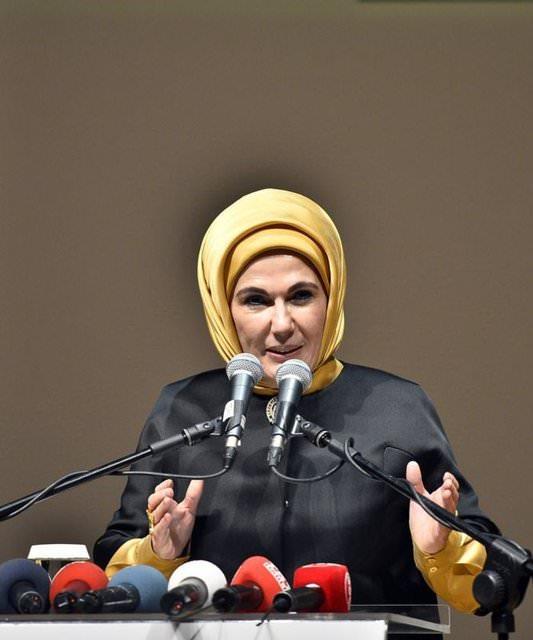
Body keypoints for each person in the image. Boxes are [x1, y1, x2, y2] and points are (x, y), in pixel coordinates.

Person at [94, 188, 498, 618]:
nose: (282, 324)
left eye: (301, 296)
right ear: (222, 309)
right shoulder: (183, 409)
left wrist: (439, 547)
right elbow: (113, 572)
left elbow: (489, 581)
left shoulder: (397, 406)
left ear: (332, 298)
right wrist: (161, 552)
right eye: (256, 300)